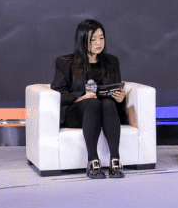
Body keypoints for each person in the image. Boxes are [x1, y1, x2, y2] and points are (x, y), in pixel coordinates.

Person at [51, 20, 128, 179]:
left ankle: (115, 161)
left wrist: (120, 97)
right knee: (92, 103)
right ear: (82, 40)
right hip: (77, 114)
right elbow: (58, 93)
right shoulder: (65, 62)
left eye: (101, 38)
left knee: (108, 103)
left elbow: (114, 89)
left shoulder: (111, 61)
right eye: (93, 40)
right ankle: (93, 161)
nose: (99, 43)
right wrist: (80, 98)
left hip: (106, 111)